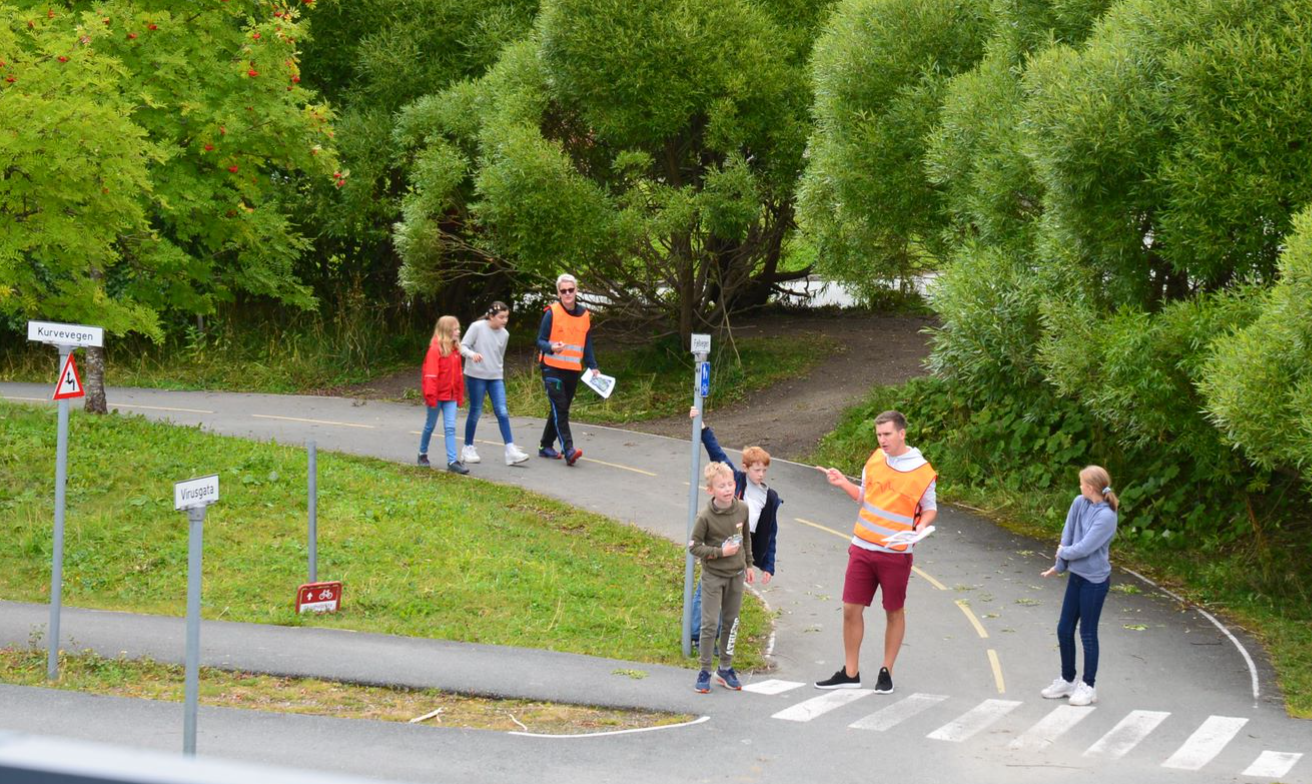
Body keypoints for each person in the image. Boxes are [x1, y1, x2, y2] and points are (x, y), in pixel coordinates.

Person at [813, 410, 936, 694]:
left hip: (896, 553)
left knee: (894, 611)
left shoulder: (922, 471)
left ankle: (886, 671)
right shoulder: (875, 458)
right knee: (850, 609)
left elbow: (930, 508)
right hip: (862, 547)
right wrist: (843, 482)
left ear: (902, 433)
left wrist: (921, 527)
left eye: (887, 434)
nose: (882, 440)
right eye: (879, 434)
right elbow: (864, 497)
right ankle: (850, 673)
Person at [687, 408, 781, 647]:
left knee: (729, 594)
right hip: (719, 539)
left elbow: (770, 533)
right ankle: (697, 635)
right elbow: (716, 453)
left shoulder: (770, 497)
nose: (761, 474)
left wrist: (767, 565)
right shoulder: (735, 480)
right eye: (756, 470)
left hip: (740, 547)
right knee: (706, 588)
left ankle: (718, 637)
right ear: (746, 468)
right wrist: (701, 426)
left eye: (764, 470)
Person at [1039, 465, 1119, 707]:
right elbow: (1069, 534)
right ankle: (1068, 680)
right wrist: (1059, 565)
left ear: (1091, 487)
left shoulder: (1106, 516)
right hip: (1076, 577)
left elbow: (1085, 547)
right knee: (1064, 629)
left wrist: (1064, 552)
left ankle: (1088, 686)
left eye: (1082, 483)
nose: (1079, 486)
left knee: (1087, 633)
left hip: (1095, 582)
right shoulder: (1079, 502)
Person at [688, 461, 755, 693]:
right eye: (721, 486)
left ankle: (725, 668)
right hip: (713, 577)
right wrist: (720, 553)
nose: (727, 489)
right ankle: (705, 670)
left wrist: (749, 564)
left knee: (731, 622)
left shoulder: (742, 509)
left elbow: (745, 538)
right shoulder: (705, 516)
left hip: (736, 575)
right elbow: (694, 546)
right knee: (710, 624)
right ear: (710, 490)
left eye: (730, 484)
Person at [535, 273, 599, 467]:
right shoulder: (551, 313)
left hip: (572, 369)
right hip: (551, 368)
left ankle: (545, 445)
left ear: (576, 290)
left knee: (560, 408)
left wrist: (593, 366)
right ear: (558, 293)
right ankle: (568, 449)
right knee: (561, 407)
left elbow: (587, 344)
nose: (567, 294)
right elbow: (540, 341)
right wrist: (551, 347)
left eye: (571, 290)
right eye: (563, 291)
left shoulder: (585, 315)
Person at [459, 301, 531, 467]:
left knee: (502, 411)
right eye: (501, 317)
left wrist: (498, 372)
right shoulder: (477, 327)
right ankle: (467, 447)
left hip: (495, 377)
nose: (505, 320)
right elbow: (463, 346)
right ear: (491, 316)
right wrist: (472, 355)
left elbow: (499, 356)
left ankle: (510, 450)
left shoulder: (505, 334)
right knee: (476, 411)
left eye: (506, 317)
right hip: (476, 375)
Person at [418, 316, 468, 475]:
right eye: (455, 329)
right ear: (446, 331)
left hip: (450, 396)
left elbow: (458, 375)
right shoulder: (435, 350)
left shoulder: (456, 351)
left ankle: (452, 461)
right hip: (437, 396)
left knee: (450, 427)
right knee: (430, 425)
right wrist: (430, 396)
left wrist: (459, 395)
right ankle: (422, 453)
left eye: (458, 329)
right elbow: (430, 375)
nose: (458, 332)